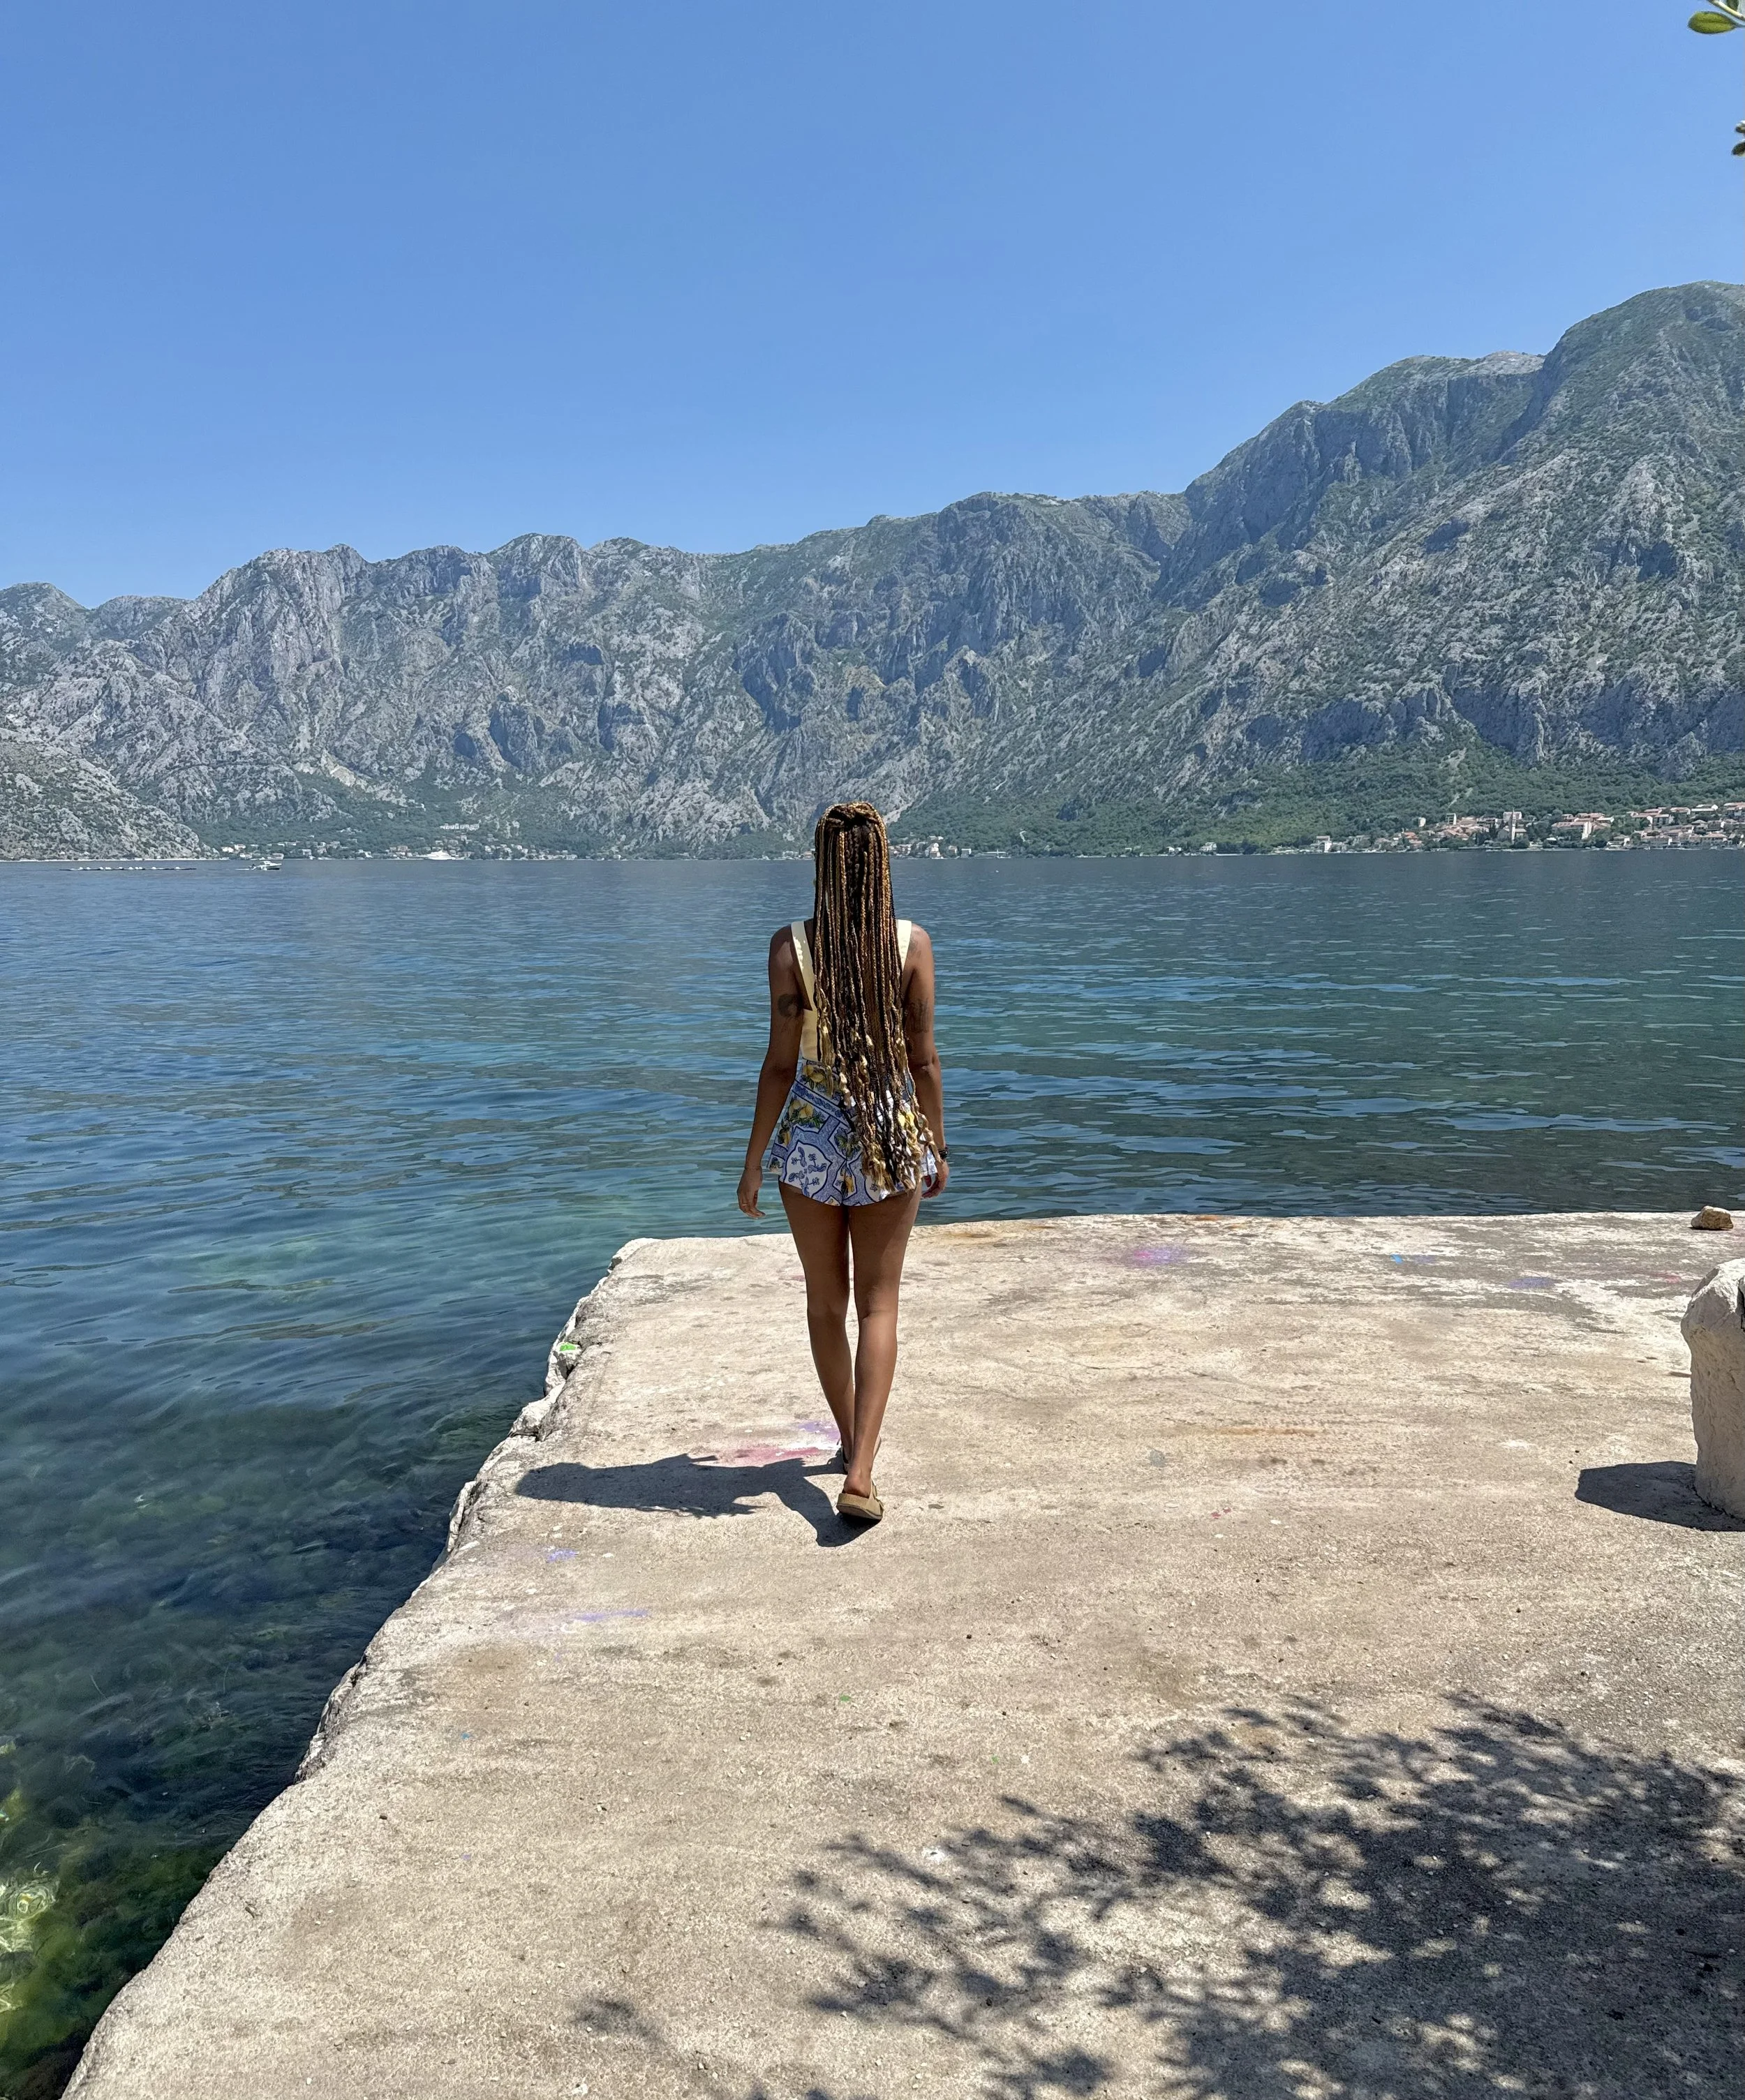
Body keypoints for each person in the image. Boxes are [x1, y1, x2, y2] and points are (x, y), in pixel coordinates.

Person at [737, 802, 948, 1525]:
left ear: (822, 867)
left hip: (811, 1135)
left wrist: (754, 1162)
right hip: (889, 1127)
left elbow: (778, 1066)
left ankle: (852, 1441)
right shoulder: (911, 945)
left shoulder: (789, 947)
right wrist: (937, 1146)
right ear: (881, 865)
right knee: (879, 1304)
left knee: (825, 1303)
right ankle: (860, 1471)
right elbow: (922, 1058)